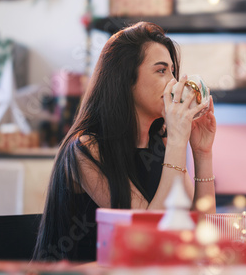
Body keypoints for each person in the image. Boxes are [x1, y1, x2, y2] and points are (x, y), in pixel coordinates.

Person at [33, 22, 216, 262]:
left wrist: (202, 153)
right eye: (161, 71)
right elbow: (148, 238)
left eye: (173, 71)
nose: (173, 82)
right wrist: (177, 141)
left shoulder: (161, 147)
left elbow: (200, 235)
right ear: (125, 79)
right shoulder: (86, 150)